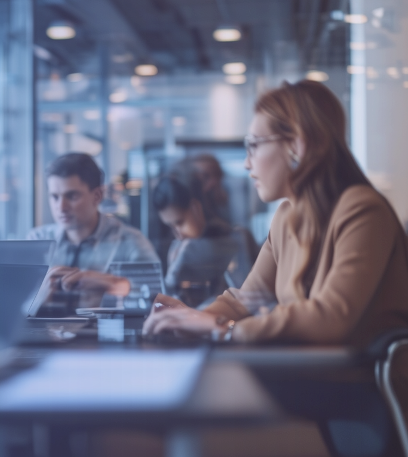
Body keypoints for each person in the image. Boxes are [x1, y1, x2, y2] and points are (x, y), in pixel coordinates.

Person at [142, 80, 408, 418]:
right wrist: (189, 318)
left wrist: (221, 329)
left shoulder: (361, 209)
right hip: (311, 381)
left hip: (361, 396)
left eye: (253, 146)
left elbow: (330, 319)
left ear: (296, 145)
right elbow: (244, 299)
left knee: (197, 410)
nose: (246, 163)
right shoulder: (287, 215)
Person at [28, 153, 159, 313]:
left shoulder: (130, 242)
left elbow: (158, 302)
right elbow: (10, 308)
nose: (61, 207)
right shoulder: (37, 241)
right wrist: (40, 296)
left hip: (103, 336)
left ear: (97, 195)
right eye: (54, 197)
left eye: (72, 196)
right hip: (42, 337)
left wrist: (112, 284)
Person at [153, 175, 257, 307]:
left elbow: (247, 298)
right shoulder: (178, 247)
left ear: (196, 207)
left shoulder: (234, 241)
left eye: (180, 223)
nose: (178, 234)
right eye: (171, 227)